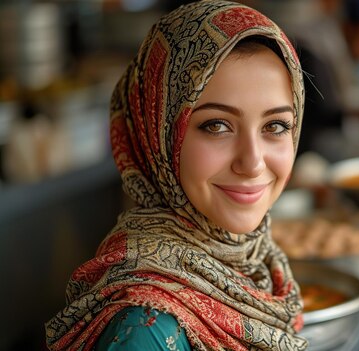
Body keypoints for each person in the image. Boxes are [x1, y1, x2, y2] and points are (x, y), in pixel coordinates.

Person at [44, 1, 307, 350]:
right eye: (216, 125)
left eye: (275, 125)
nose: (253, 162)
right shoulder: (146, 327)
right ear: (158, 134)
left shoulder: (263, 265)